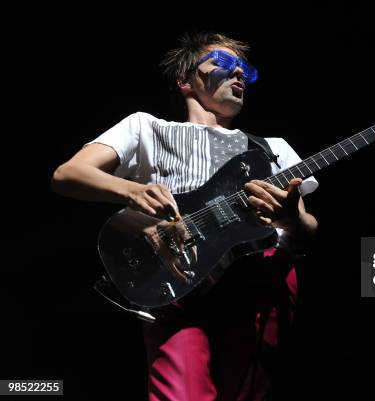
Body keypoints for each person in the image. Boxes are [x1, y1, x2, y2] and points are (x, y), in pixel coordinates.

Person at [51, 31, 319, 401]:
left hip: (258, 276)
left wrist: (290, 218)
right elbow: (68, 175)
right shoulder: (146, 128)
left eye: (246, 70)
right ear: (186, 80)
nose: (239, 73)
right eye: (225, 63)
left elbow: (305, 233)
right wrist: (132, 190)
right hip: (174, 275)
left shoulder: (272, 149)